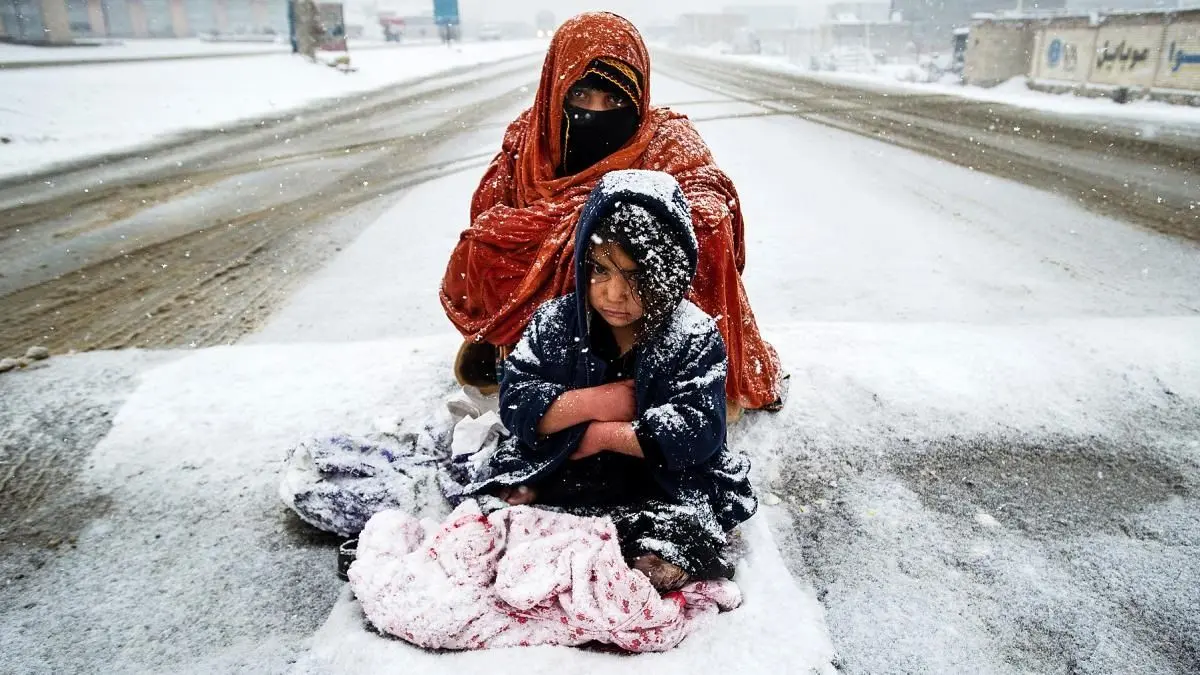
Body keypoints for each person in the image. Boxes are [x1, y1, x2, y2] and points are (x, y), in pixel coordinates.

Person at [440, 11, 785, 417]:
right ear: (556, 93)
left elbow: (707, 195)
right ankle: (530, 347)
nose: (596, 112)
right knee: (489, 244)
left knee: (693, 234)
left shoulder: (664, 140)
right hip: (552, 334)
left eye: (615, 100)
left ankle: (670, 369)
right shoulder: (529, 145)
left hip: (648, 323)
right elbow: (487, 223)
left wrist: (623, 225)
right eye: (581, 97)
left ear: (637, 101)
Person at [465, 170, 757, 592]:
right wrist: (592, 403)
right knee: (495, 512)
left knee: (682, 530)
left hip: (659, 478)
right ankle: (556, 525)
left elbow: (698, 431)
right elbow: (517, 402)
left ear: (670, 272)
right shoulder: (554, 324)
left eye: (637, 276)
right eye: (600, 271)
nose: (614, 294)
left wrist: (605, 435)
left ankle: (636, 552)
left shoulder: (693, 335)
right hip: (568, 464)